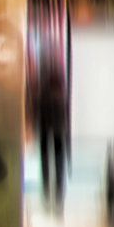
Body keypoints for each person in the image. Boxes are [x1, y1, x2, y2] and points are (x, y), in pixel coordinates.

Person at [34, 48, 70, 214]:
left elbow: (38, 112)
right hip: (58, 131)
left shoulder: (43, 93)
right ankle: (58, 195)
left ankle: (48, 193)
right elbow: (64, 115)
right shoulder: (60, 94)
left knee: (46, 163)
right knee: (58, 163)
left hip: (45, 130)